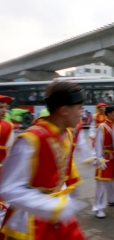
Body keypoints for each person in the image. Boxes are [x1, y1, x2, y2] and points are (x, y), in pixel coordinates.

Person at [0, 81, 87, 239]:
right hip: (29, 221)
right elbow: (9, 188)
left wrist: (65, 200)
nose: (82, 112)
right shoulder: (31, 139)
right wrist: (54, 207)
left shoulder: (66, 133)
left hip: (57, 215)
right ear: (64, 110)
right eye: (79, 107)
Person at [92, 105, 114, 219]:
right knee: (102, 183)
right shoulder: (102, 127)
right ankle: (98, 207)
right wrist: (99, 158)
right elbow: (98, 144)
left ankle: (112, 199)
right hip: (105, 157)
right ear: (108, 114)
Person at [0, 95, 14, 225]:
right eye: (0, 107)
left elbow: (10, 153)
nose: (4, 111)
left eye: (6, 107)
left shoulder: (8, 127)